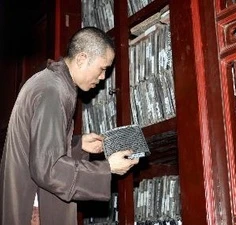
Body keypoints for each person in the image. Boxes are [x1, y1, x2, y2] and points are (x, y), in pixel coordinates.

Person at [0, 27, 139, 225]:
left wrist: (78, 144)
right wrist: (107, 168)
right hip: (34, 210)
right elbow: (48, 168)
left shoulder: (49, 82)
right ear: (82, 58)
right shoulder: (53, 90)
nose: (103, 77)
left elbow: (37, 148)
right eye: (102, 68)